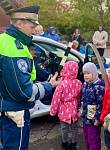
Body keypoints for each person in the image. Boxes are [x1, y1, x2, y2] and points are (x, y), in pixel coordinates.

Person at [0, 5, 60, 150]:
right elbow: (24, 92)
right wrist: (48, 85)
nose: (35, 30)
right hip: (16, 113)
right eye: (32, 26)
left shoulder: (4, 40)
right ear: (19, 23)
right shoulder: (14, 48)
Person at [50, 61, 82, 150]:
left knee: (64, 128)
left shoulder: (61, 84)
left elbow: (56, 98)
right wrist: (78, 107)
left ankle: (64, 144)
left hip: (64, 110)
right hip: (74, 109)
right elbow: (79, 96)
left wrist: (53, 111)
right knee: (74, 128)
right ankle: (73, 144)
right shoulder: (79, 83)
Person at [79, 62, 105, 150]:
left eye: (88, 73)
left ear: (94, 73)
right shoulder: (85, 84)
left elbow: (100, 104)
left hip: (93, 119)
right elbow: (82, 99)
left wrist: (97, 118)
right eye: (84, 73)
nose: (86, 76)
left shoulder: (99, 87)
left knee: (93, 139)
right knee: (86, 137)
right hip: (85, 117)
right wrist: (81, 110)